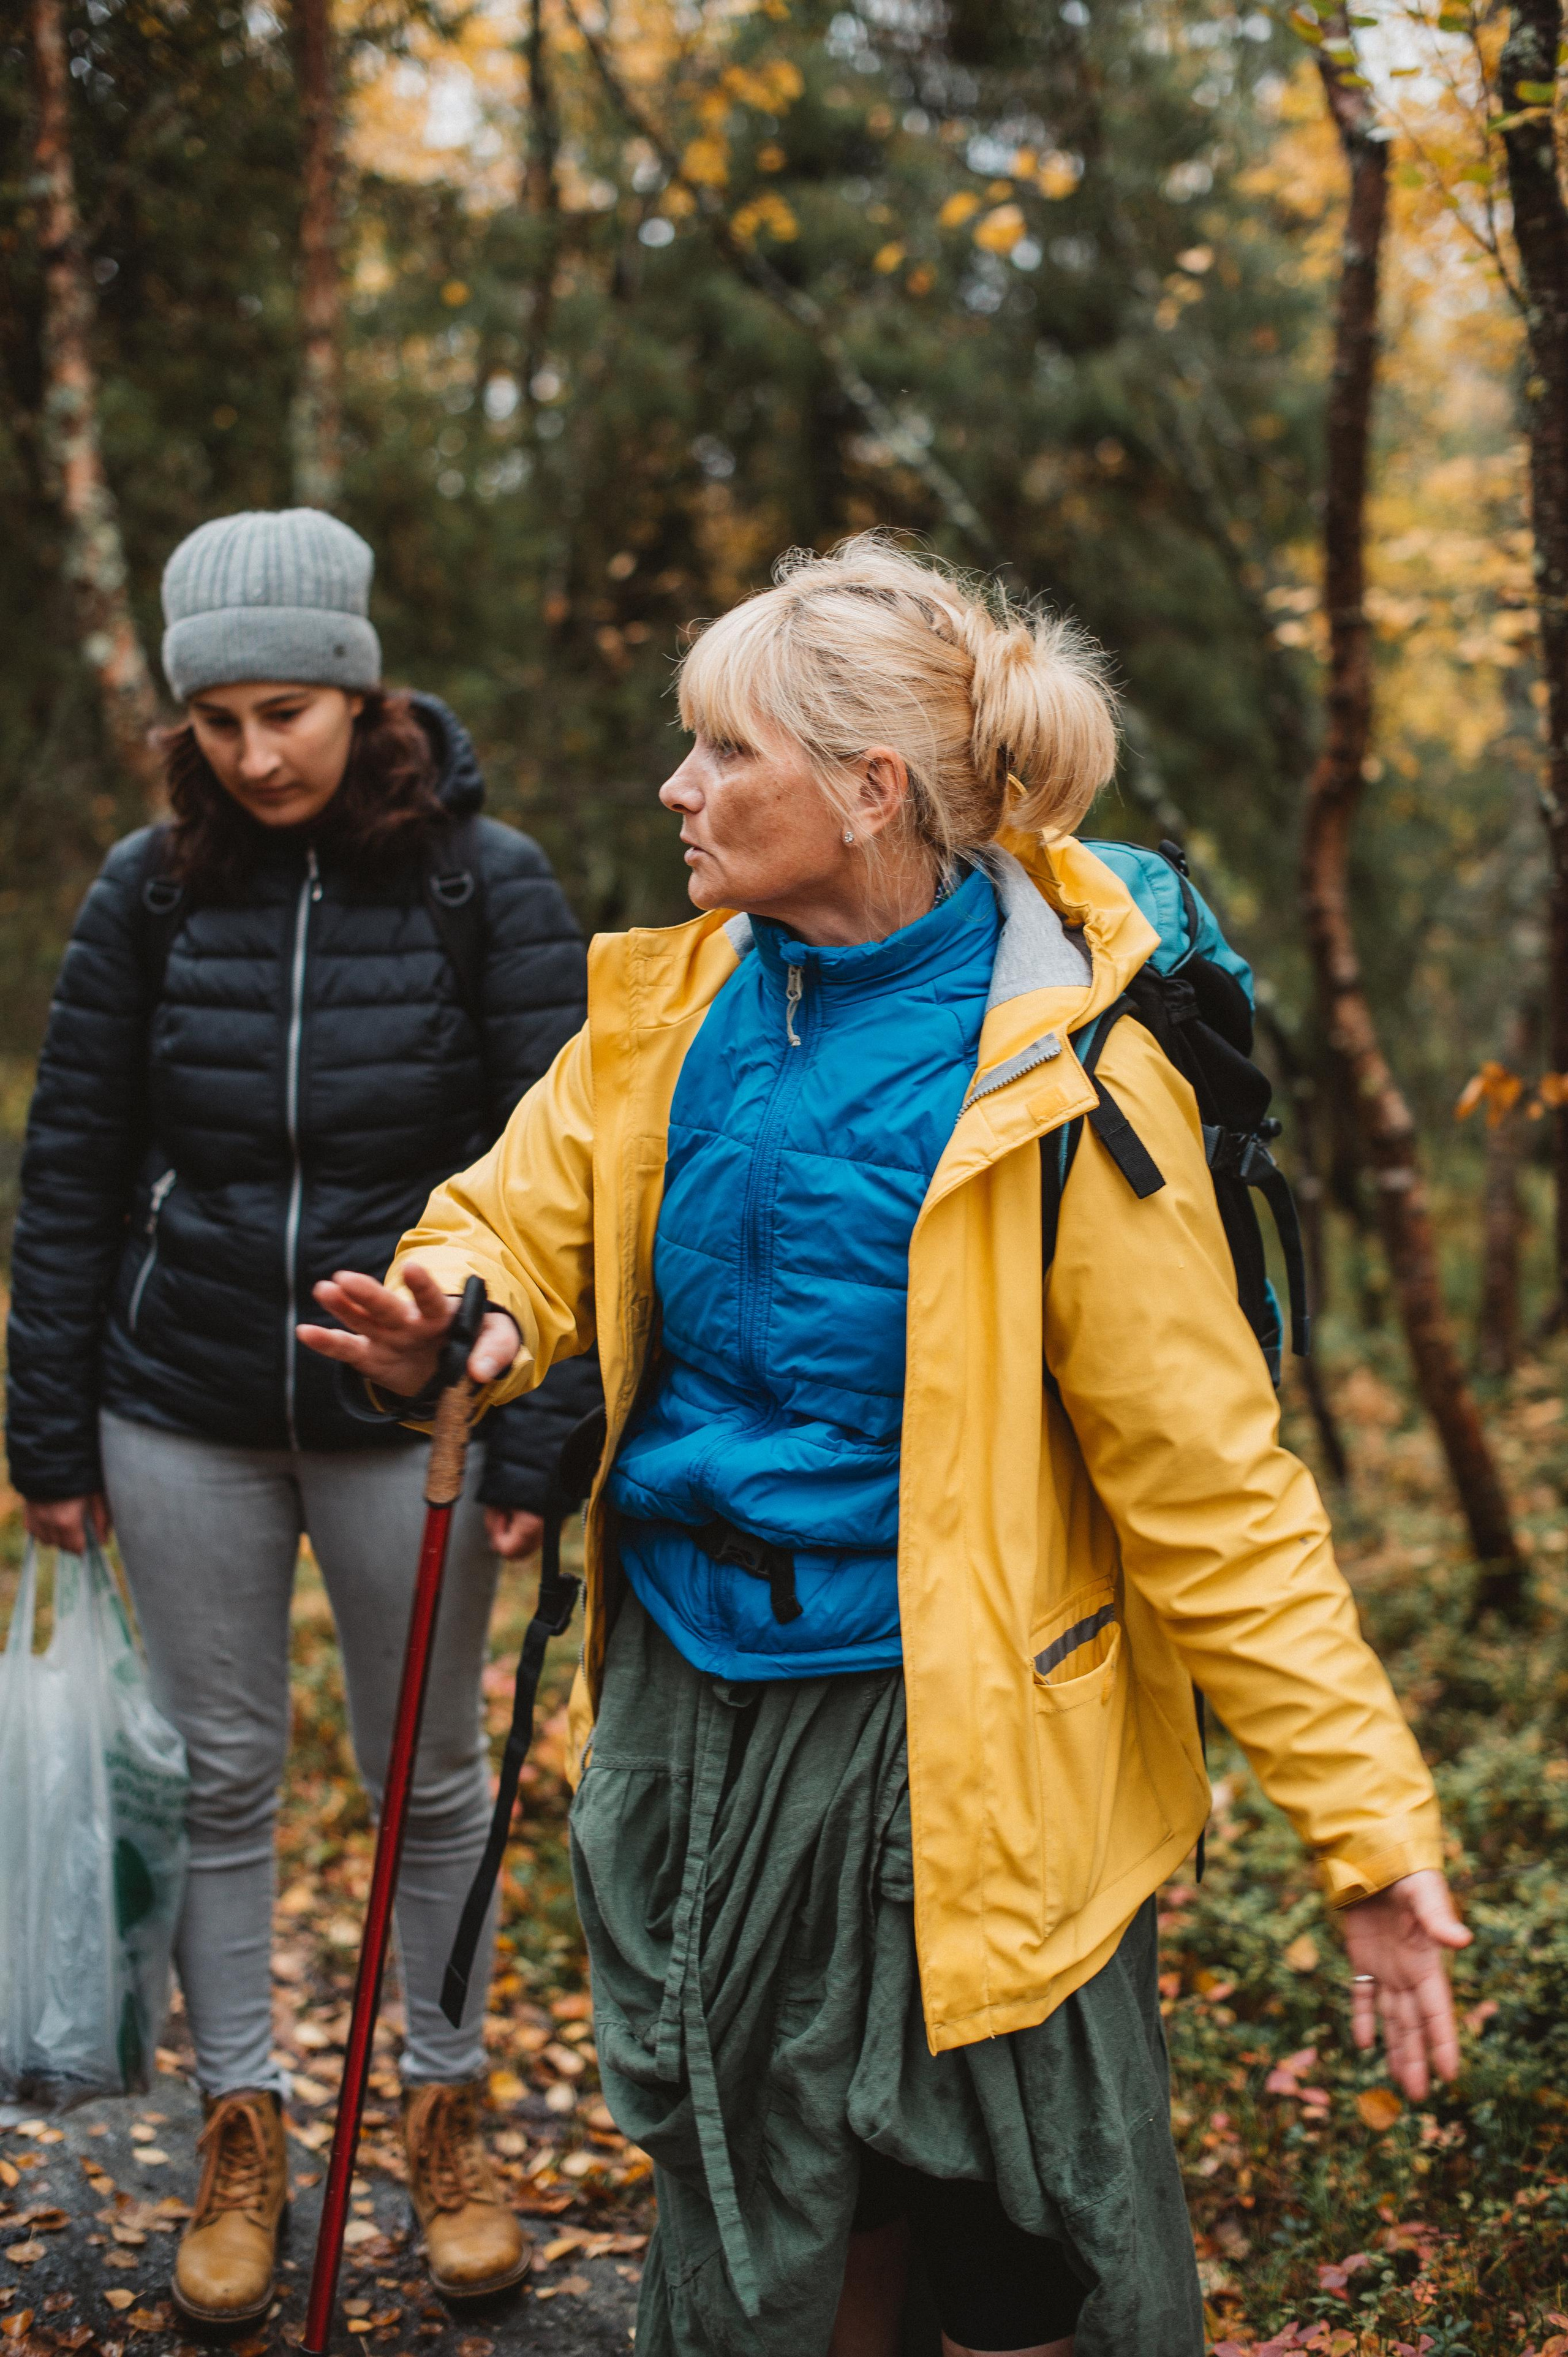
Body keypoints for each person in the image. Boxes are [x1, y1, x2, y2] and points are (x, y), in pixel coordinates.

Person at [303, 535, 1470, 2357]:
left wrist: (1369, 1831)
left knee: (1003, 2229)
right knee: (768, 2201)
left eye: (725, 752)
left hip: (963, 1741)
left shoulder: (1068, 1072)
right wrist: (462, 1311)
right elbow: (516, 1218)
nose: (677, 788)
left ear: (869, 790)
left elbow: (1216, 1492)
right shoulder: (667, 1006)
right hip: (699, 1712)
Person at [6, 509, 600, 2327]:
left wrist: (536, 1435)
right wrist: (45, 1439)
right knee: (214, 1779)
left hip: (408, 1429)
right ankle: (242, 2127)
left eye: (287, 712)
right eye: (220, 723)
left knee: (426, 1777)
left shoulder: (484, 886)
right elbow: (77, 1166)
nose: (256, 755)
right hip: (175, 1403)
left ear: (357, 689)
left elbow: (569, 1173)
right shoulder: (149, 890)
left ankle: (440, 2109)